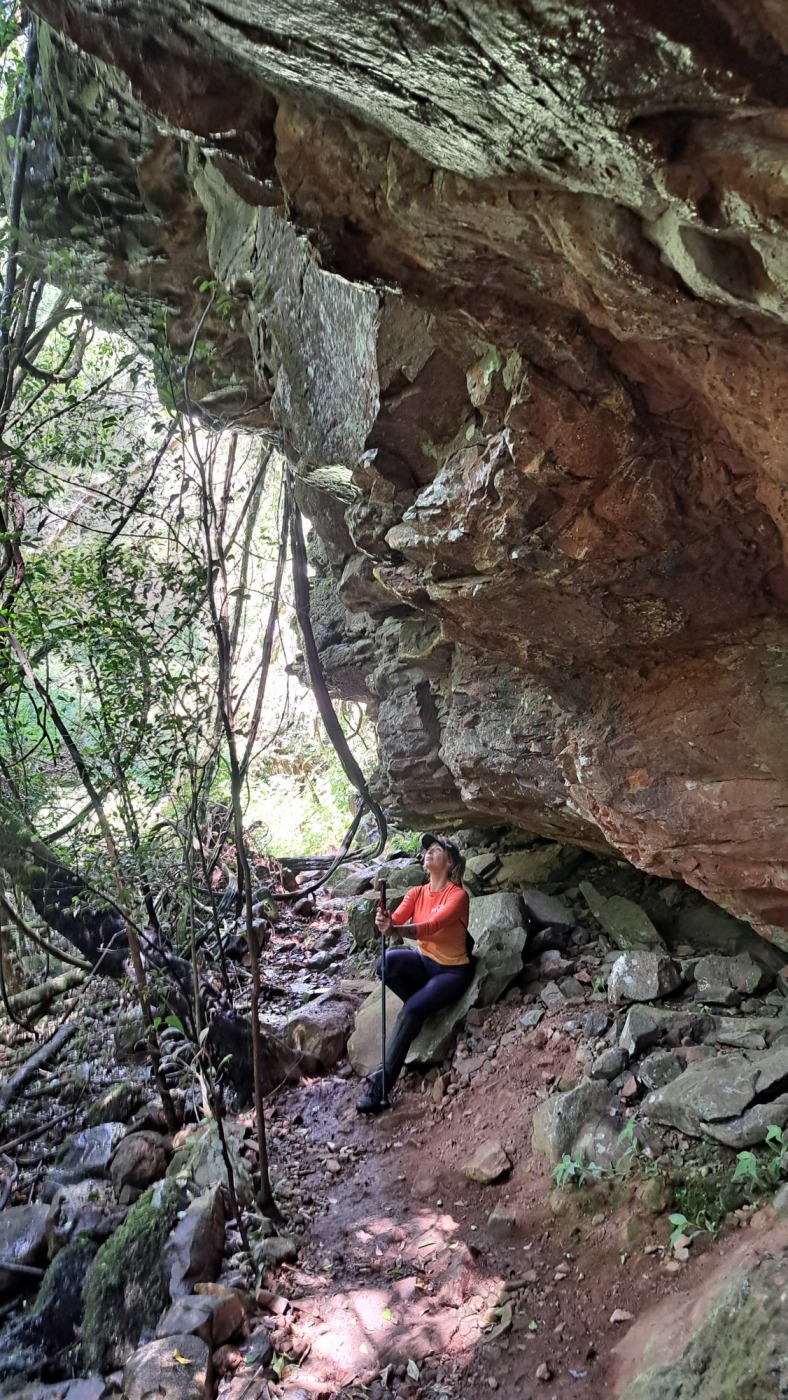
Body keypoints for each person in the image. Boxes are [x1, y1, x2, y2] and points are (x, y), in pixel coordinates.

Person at [356, 833, 473, 1115]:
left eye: (436, 849)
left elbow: (431, 926)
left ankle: (379, 1086)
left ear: (449, 862)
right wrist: (385, 922)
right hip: (424, 962)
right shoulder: (416, 893)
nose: (428, 852)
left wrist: (396, 930)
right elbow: (395, 920)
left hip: (451, 971)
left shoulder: (457, 896)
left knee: (409, 1011)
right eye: (427, 849)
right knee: (385, 963)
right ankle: (421, 1005)